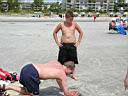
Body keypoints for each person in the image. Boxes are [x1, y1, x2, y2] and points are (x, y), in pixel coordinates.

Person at [0, 61, 79, 96]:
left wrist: (62, 88)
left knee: (28, 89)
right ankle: (8, 87)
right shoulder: (62, 74)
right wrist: (72, 93)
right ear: (69, 68)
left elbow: (58, 79)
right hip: (32, 74)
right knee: (32, 94)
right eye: (71, 72)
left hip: (27, 67)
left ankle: (5, 86)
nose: (69, 74)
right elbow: (66, 93)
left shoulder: (56, 62)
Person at [53, 10, 83, 80]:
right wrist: (58, 43)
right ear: (66, 18)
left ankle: (73, 74)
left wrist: (78, 42)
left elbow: (81, 32)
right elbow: (54, 33)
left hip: (72, 45)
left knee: (73, 61)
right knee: (61, 61)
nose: (71, 21)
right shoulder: (61, 24)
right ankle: (60, 75)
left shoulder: (74, 24)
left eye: (72, 19)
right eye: (70, 19)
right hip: (63, 45)